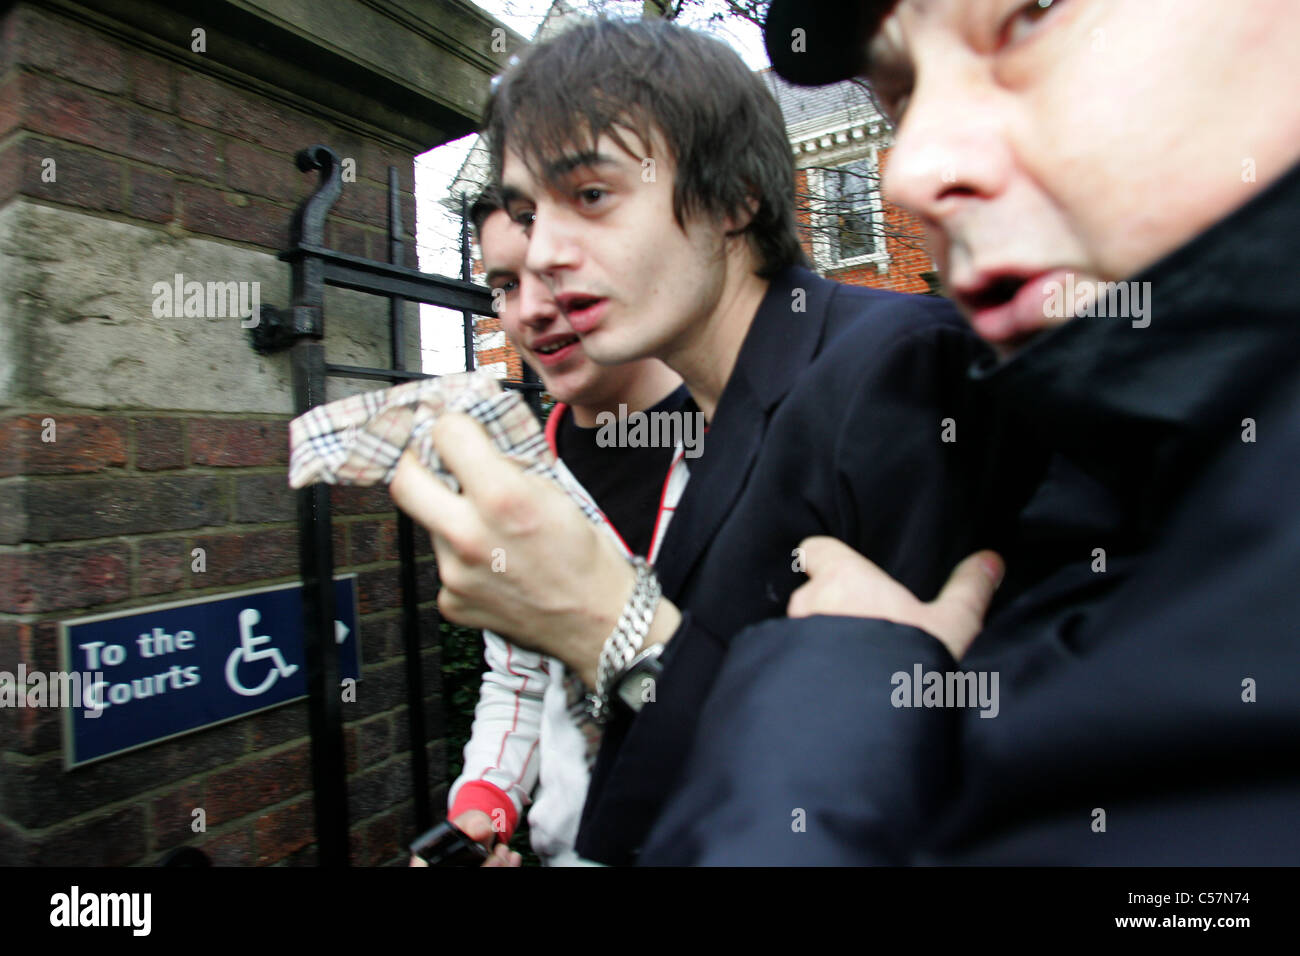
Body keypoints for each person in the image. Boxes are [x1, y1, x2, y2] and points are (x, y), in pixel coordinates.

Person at [635, 0, 1300, 864]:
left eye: (1029, 17)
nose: (907, 173)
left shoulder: (902, 382)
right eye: (897, 96)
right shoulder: (1105, 467)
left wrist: (839, 694)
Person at [390, 17, 1006, 865]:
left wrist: (611, 631)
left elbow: (935, 790)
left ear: (734, 199)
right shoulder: (726, 414)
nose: (550, 254)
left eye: (593, 196)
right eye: (533, 215)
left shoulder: (895, 372)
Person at [421, 188, 684, 867]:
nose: (530, 309)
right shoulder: (517, 487)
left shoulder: (758, 441)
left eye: (553, 271)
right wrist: (482, 808)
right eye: (504, 284)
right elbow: (520, 679)